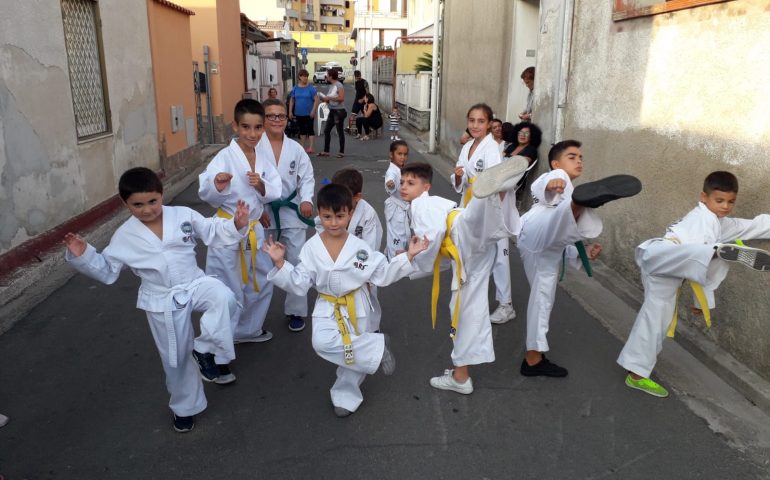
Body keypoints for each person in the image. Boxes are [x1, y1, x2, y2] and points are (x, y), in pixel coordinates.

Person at [64, 167, 251, 433]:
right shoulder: (124, 236)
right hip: (161, 297)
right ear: (125, 204)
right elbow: (107, 270)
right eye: (137, 205)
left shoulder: (182, 215)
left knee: (225, 297)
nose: (147, 209)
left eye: (152, 201)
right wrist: (84, 254)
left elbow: (210, 229)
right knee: (175, 358)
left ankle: (204, 349)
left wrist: (236, 224)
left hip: (194, 282)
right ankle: (185, 408)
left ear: (162, 195)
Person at [262, 184, 429, 417]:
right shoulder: (311, 248)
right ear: (319, 214)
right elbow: (300, 282)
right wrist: (281, 263)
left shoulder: (359, 248)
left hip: (357, 304)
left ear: (350, 214)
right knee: (322, 342)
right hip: (327, 304)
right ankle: (377, 347)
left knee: (351, 357)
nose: (333, 223)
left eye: (340, 216)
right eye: (327, 217)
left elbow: (382, 273)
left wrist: (408, 256)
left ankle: (346, 396)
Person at [617, 171, 770, 397]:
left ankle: (717, 251)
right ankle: (636, 375)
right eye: (719, 200)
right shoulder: (702, 222)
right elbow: (703, 271)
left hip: (666, 265)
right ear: (704, 197)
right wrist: (702, 302)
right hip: (663, 261)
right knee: (656, 318)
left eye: (730, 202)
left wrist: (702, 301)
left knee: (655, 318)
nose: (725, 206)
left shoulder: (717, 221)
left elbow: (751, 226)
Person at [402, 156, 529, 395]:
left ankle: (461, 378)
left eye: (410, 183)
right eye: (402, 183)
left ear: (425, 187)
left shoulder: (419, 205)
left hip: (460, 240)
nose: (403, 187)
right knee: (479, 223)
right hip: (470, 240)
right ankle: (499, 193)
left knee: (462, 310)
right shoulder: (434, 201)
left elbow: (434, 236)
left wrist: (414, 259)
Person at [517, 140, 641, 377]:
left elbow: (557, 241)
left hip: (536, 235)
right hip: (541, 231)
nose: (579, 161)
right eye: (572, 156)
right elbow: (543, 184)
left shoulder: (563, 188)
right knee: (542, 299)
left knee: (542, 293)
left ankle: (579, 206)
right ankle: (532, 360)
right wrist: (552, 183)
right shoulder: (557, 177)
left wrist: (579, 253)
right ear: (555, 163)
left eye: (581, 157)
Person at [199, 99, 282, 346]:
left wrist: (261, 186)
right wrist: (217, 184)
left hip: (254, 229)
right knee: (226, 287)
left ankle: (247, 329)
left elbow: (274, 189)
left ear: (263, 128)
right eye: (246, 127)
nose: (252, 134)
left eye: (258, 127)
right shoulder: (224, 157)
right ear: (235, 126)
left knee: (261, 279)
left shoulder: (263, 158)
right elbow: (206, 193)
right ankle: (217, 342)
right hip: (228, 229)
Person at [257, 98, 316, 333]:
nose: (276, 120)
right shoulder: (254, 147)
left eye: (281, 115)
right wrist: (257, 209)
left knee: (297, 261)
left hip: (291, 211)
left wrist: (306, 200)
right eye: (271, 115)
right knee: (260, 264)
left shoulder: (295, 148)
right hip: (263, 212)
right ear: (263, 119)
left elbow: (307, 177)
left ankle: (296, 310)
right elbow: (245, 181)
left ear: (286, 118)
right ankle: (254, 318)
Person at [316, 169, 385, 331]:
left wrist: (364, 273)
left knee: (367, 298)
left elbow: (369, 248)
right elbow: (321, 234)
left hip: (362, 265)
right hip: (336, 265)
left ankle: (372, 329)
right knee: (337, 299)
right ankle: (340, 327)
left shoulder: (367, 214)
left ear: (357, 197)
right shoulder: (330, 208)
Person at [384, 140, 411, 260]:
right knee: (397, 236)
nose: (402, 157)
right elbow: (390, 180)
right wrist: (390, 185)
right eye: (399, 154)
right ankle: (394, 261)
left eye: (405, 154)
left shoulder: (403, 169)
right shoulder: (392, 171)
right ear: (391, 154)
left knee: (401, 235)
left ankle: (392, 257)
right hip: (396, 209)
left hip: (404, 207)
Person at [288, 69, 319, 154]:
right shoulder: (295, 88)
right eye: (304, 76)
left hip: (309, 113)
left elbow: (316, 100)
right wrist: (290, 111)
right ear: (299, 77)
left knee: (310, 129)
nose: (305, 78)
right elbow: (292, 100)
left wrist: (313, 110)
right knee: (302, 130)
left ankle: (310, 147)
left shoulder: (311, 88)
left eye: (306, 76)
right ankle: (302, 146)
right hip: (299, 112)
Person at [318, 69, 346, 158]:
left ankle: (341, 152)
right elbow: (330, 99)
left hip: (339, 111)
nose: (326, 76)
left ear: (331, 76)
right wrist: (324, 99)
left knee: (340, 131)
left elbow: (341, 98)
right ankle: (326, 151)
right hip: (332, 110)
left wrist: (329, 98)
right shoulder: (331, 86)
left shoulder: (338, 85)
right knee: (327, 130)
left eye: (327, 75)